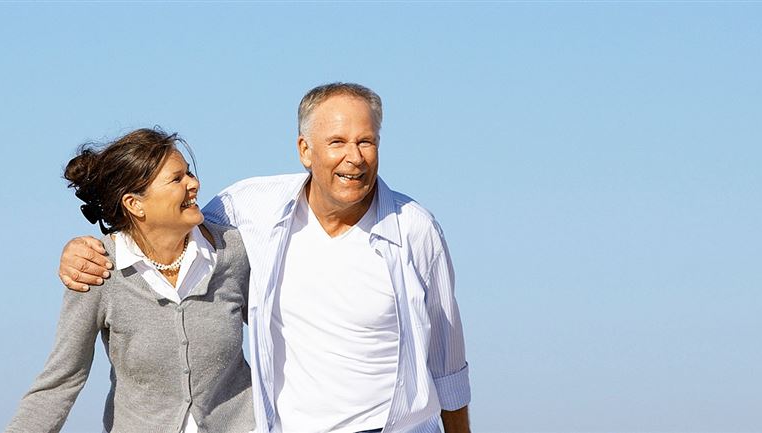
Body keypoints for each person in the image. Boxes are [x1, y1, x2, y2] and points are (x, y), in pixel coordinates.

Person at [58, 83, 471, 433]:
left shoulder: (415, 228)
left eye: (367, 141)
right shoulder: (247, 209)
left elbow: (447, 362)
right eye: (338, 143)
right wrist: (87, 249)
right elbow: (162, 229)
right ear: (305, 150)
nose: (356, 157)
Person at [7, 128, 254, 433]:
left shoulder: (232, 251)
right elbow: (61, 381)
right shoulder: (100, 269)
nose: (194, 184)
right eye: (177, 179)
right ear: (135, 204)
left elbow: (285, 332)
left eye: (188, 174)